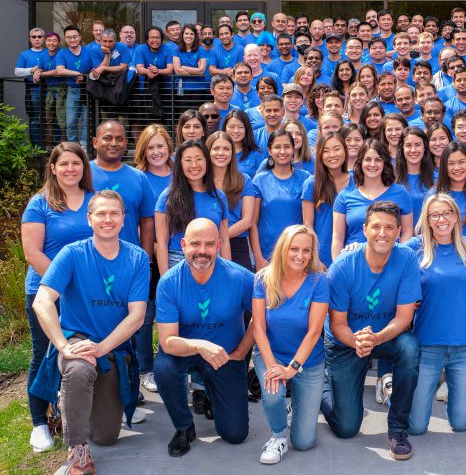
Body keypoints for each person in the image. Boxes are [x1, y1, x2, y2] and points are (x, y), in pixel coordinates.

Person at [32, 190, 149, 474]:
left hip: (113, 347)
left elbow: (137, 316)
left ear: (124, 219)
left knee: (106, 437)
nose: (108, 219)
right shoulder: (72, 254)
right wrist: (63, 346)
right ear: (89, 218)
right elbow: (42, 301)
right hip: (77, 339)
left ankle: (72, 405)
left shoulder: (137, 258)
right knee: (79, 369)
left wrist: (102, 348)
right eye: (101, 213)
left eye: (114, 213)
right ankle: (77, 451)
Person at [322, 201, 421, 460]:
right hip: (346, 341)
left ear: (398, 231)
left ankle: (397, 428)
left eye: (389, 227)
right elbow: (337, 324)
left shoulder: (406, 259)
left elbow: (404, 317)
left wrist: (375, 338)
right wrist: (358, 341)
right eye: (376, 226)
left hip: (384, 336)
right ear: (365, 229)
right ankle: (320, 387)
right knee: (346, 428)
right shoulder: (343, 266)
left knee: (409, 346)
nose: (382, 233)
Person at [154, 218, 254, 457]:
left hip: (225, 355)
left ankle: (212, 394)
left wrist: (241, 352)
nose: (202, 251)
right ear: (183, 245)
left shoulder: (241, 277)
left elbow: (261, 319)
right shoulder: (169, 282)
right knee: (164, 369)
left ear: (219, 245)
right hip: (184, 352)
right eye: (195, 244)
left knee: (235, 434)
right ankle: (183, 426)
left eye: (209, 244)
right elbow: (167, 341)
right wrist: (200, 345)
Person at [21, 143, 94, 454]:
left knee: (82, 351)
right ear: (52, 168)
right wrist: (62, 285)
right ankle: (39, 422)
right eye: (63, 164)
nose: (70, 169)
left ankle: (78, 414)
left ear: (83, 167)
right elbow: (32, 253)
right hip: (46, 292)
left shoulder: (93, 200)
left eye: (76, 163)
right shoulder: (40, 204)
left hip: (86, 294)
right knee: (45, 354)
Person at [252, 225, 330, 464]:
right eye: (294, 249)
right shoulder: (263, 278)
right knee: (273, 393)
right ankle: (278, 437)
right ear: (283, 249)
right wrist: (274, 367)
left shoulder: (319, 281)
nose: (300, 255)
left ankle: (299, 406)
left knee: (304, 442)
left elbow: (314, 332)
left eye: (306, 250)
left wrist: (292, 368)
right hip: (272, 354)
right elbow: (258, 328)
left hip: (308, 361)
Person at [406, 194, 466, 435]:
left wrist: (456, 304)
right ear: (427, 219)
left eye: (446, 213)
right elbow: (383, 253)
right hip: (427, 344)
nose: (441, 220)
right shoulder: (413, 249)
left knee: (459, 423)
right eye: (435, 215)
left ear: (456, 216)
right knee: (416, 427)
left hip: (464, 344)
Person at [133, 125, 173, 393]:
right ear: (143, 151)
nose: (156, 152)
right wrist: (152, 243)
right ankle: (145, 369)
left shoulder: (180, 174)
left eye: (160, 146)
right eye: (151, 147)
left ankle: (169, 366)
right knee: (146, 315)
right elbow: (137, 217)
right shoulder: (139, 178)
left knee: (171, 312)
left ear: (169, 147)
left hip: (176, 254)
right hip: (147, 254)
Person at [155, 140, 231, 275]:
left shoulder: (219, 196)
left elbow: (224, 241)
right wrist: (165, 279)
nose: (194, 165)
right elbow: (161, 244)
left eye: (199, 159)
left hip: (212, 262)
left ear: (207, 162)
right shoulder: (167, 197)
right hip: (178, 262)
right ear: (180, 164)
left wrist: (227, 274)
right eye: (188, 160)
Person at [332, 138, 414, 257]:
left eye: (378, 160)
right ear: (360, 162)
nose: (372, 164)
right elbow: (337, 238)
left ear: (385, 163)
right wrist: (337, 264)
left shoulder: (401, 193)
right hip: (354, 261)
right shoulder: (344, 196)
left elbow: (407, 232)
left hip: (391, 260)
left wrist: (398, 259)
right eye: (368, 159)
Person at [90, 120, 155, 259]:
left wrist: (146, 261)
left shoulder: (139, 178)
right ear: (95, 142)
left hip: (129, 260)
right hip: (88, 259)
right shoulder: (82, 174)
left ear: (125, 143)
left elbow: (147, 222)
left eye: (119, 139)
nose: (113, 143)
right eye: (107, 138)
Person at [252, 129, 312, 269]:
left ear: (293, 149)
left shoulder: (305, 178)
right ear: (269, 150)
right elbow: (252, 223)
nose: (283, 151)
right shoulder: (259, 180)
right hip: (267, 255)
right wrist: (258, 258)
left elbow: (308, 223)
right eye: (277, 147)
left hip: (297, 255)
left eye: (287, 146)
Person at [302, 132, 354, 267]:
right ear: (320, 155)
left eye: (337, 149)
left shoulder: (358, 181)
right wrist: (314, 259)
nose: (332, 155)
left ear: (345, 150)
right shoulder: (311, 184)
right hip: (322, 258)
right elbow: (308, 226)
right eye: (326, 151)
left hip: (353, 253)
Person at [207, 132, 255, 270]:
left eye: (226, 149)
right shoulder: (200, 181)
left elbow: (247, 220)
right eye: (216, 148)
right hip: (205, 245)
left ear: (232, 153)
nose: (221, 153)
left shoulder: (244, 181)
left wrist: (220, 237)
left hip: (237, 243)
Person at [55, 26, 92, 144]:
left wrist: (85, 77)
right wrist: (77, 73)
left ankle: (85, 147)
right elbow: (59, 70)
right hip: (72, 90)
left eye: (74, 37)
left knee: (87, 121)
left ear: (79, 37)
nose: (72, 39)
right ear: (65, 39)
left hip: (88, 90)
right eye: (69, 37)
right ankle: (73, 146)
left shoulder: (89, 51)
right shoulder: (62, 53)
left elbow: (96, 69)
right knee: (71, 122)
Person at [395, 127, 435, 223]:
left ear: (425, 148)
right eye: (408, 145)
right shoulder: (392, 179)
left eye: (417, 145)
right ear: (402, 149)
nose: (413, 150)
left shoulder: (436, 179)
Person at [16, 27, 46, 145]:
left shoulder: (49, 52)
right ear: (30, 39)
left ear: (43, 38)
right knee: (35, 119)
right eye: (34, 37)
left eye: (39, 36)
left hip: (51, 89)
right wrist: (31, 70)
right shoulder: (25, 54)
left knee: (52, 119)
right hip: (33, 89)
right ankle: (36, 148)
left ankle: (52, 147)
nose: (37, 39)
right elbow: (17, 71)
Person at [172, 24, 208, 113]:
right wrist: (196, 71)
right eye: (186, 33)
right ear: (182, 35)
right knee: (184, 115)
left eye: (191, 34)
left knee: (198, 115)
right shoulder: (177, 50)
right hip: (182, 88)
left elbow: (201, 70)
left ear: (195, 36)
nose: (189, 36)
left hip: (199, 88)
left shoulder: (201, 49)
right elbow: (178, 71)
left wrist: (184, 67)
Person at [222, 109, 265, 178]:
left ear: (247, 129)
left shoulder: (256, 153)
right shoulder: (219, 152)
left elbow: (261, 180)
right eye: (232, 127)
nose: (236, 131)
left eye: (241, 127)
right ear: (225, 128)